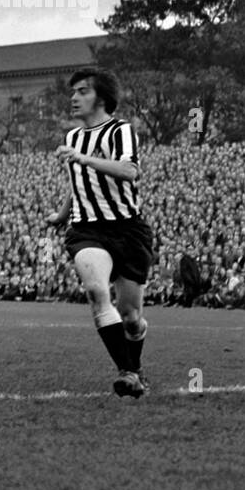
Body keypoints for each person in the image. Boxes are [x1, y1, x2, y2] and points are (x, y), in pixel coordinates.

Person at [45, 67, 153, 398]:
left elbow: (128, 170)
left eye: (82, 91)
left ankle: (134, 370)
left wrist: (84, 158)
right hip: (86, 229)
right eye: (73, 92)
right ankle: (126, 372)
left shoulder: (121, 130)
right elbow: (78, 182)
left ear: (101, 97)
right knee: (95, 291)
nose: (73, 98)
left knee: (131, 317)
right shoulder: (73, 137)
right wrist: (62, 215)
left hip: (127, 229)